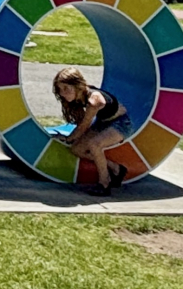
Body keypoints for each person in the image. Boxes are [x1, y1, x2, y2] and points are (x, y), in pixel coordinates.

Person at [53, 67, 133, 196]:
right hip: (103, 123)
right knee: (77, 149)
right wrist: (71, 138)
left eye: (66, 88)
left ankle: (104, 183)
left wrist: (67, 138)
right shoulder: (80, 95)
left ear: (77, 85)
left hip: (121, 123)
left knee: (94, 144)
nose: (62, 93)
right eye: (60, 89)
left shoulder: (94, 100)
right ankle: (116, 169)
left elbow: (83, 126)